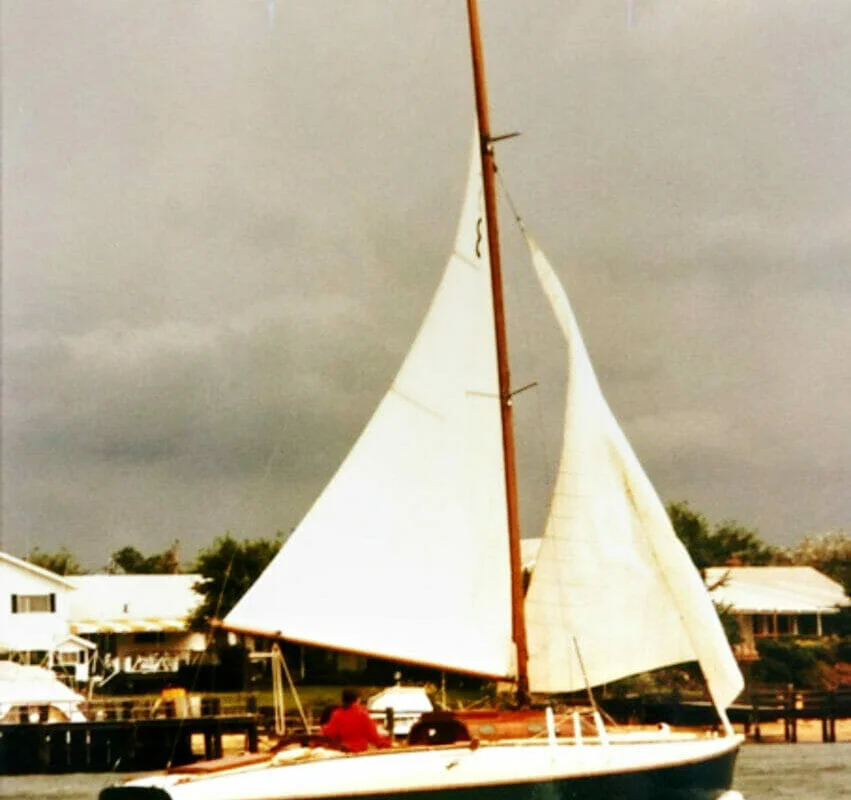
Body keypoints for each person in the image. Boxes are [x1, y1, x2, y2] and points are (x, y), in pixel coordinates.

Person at [320, 688, 391, 753]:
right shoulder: (362, 714)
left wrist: (323, 728)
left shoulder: (337, 714)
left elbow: (330, 732)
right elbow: (373, 736)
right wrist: (386, 744)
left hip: (344, 750)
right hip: (360, 751)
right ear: (357, 699)